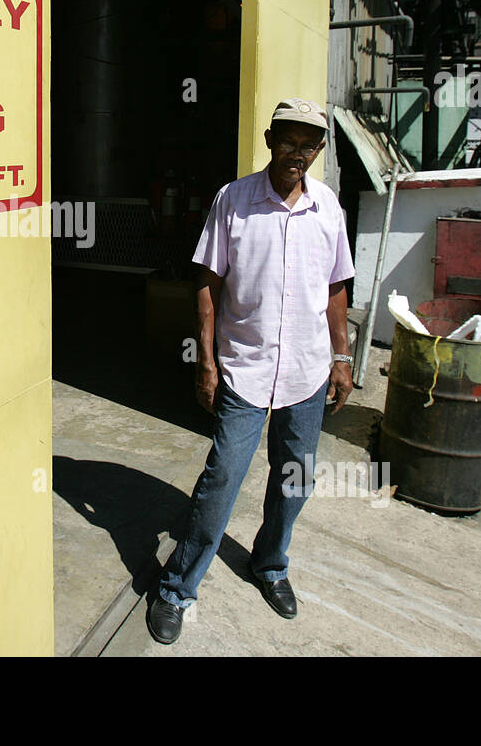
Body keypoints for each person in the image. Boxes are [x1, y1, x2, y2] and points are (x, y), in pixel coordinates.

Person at [148, 97, 355, 645]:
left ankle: (270, 565)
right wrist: (207, 362)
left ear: (318, 150)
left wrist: (342, 356)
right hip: (244, 368)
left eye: (308, 144)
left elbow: (336, 289)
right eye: (287, 141)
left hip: (307, 372)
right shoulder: (234, 200)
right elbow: (208, 284)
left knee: (296, 478)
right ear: (268, 140)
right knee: (221, 480)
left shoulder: (327, 207)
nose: (297, 154)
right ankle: (177, 589)